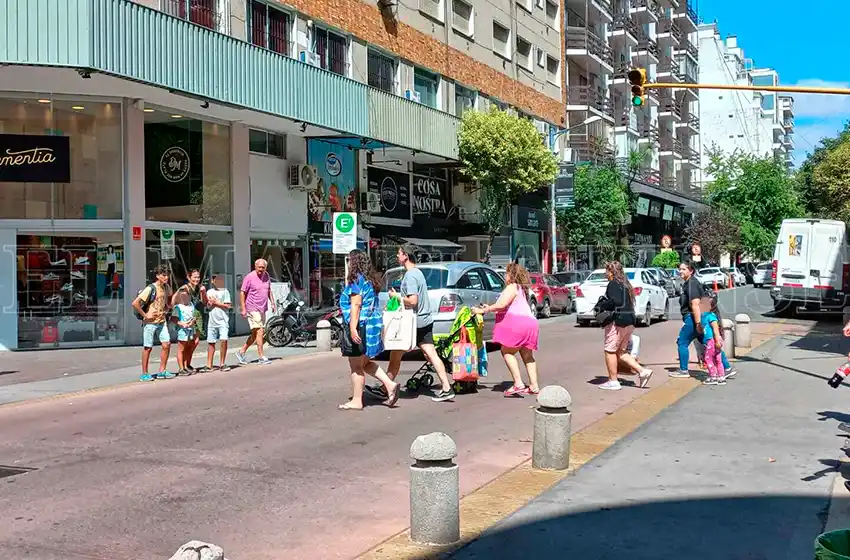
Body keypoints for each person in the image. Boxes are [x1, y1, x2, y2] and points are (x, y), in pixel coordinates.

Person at [368, 245, 455, 402]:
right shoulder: (418, 273)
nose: (396, 256)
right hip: (424, 320)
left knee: (396, 355)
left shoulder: (410, 276)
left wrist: (396, 296)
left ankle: (386, 387)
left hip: (413, 323)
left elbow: (412, 301)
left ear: (406, 256)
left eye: (398, 254)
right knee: (431, 355)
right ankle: (447, 387)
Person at [338, 249, 399, 410]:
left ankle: (357, 400)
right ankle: (390, 385)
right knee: (365, 363)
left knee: (356, 366)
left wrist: (352, 327)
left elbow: (356, 304)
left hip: (361, 325)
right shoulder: (370, 280)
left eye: (349, 260)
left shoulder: (356, 280)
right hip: (372, 325)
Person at [472, 262, 540, 397]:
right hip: (530, 323)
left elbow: (502, 305)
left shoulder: (512, 287)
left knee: (507, 351)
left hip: (517, 323)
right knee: (528, 356)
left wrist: (482, 310)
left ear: (511, 275)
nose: (505, 276)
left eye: (506, 273)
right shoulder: (522, 289)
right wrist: (490, 307)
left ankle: (518, 383)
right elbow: (506, 306)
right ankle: (534, 385)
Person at [672, 262, 737, 378]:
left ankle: (683, 370)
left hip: (693, 318)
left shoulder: (692, 284)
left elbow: (695, 305)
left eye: (683, 269)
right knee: (708, 342)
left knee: (682, 342)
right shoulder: (689, 283)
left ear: (691, 271)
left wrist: (698, 324)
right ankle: (727, 368)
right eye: (680, 269)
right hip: (699, 318)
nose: (680, 271)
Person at [596, 261, 653, 391]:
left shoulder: (613, 284)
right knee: (621, 352)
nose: (606, 274)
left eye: (607, 271)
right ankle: (642, 371)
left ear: (611, 272)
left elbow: (616, 301)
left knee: (610, 351)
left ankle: (613, 381)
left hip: (617, 322)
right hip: (629, 321)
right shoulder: (626, 284)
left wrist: (602, 305)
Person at [131, 265, 176, 382]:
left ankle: (162, 371)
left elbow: (168, 301)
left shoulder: (167, 288)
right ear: (157, 276)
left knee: (166, 344)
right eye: (163, 275)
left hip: (161, 321)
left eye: (167, 275)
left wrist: (167, 308)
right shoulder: (151, 288)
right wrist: (146, 315)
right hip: (150, 323)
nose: (166, 277)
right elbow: (135, 303)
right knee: (148, 347)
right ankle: (144, 373)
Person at [236, 258, 276, 365]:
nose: (261, 269)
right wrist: (243, 308)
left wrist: (272, 302)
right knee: (260, 331)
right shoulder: (249, 277)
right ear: (255, 266)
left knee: (255, 333)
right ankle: (261, 356)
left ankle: (241, 352)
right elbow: (242, 293)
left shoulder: (266, 276)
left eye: (263, 267)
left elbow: (269, 290)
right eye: (259, 267)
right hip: (252, 307)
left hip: (262, 308)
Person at [172, 269, 207, 373]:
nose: (196, 279)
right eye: (194, 277)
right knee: (185, 343)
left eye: (198, 277)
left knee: (194, 342)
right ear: (189, 277)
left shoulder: (200, 287)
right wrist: (175, 310)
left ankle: (187, 364)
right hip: (186, 318)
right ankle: (182, 366)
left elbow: (204, 302)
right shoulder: (184, 288)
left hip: (197, 316)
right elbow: (174, 300)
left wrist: (203, 292)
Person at [205, 274, 232, 371]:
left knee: (223, 340)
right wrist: (209, 303)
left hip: (223, 321)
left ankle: (222, 363)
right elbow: (207, 306)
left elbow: (228, 306)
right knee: (211, 342)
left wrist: (216, 303)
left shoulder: (225, 291)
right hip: (212, 320)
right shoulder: (209, 292)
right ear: (212, 281)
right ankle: (209, 364)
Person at [699, 295, 727, 385]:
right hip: (711, 340)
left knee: (709, 359)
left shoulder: (711, 316)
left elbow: (715, 328)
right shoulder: (705, 316)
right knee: (717, 358)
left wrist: (717, 340)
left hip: (712, 340)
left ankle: (713, 376)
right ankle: (721, 376)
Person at [173, 289, 197, 375]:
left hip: (191, 329)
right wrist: (182, 324)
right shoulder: (178, 307)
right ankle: (181, 368)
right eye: (183, 296)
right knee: (181, 348)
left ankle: (186, 365)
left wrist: (192, 322)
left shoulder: (191, 305)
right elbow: (174, 319)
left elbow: (194, 316)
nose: (185, 298)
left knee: (188, 347)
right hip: (182, 330)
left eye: (187, 296)